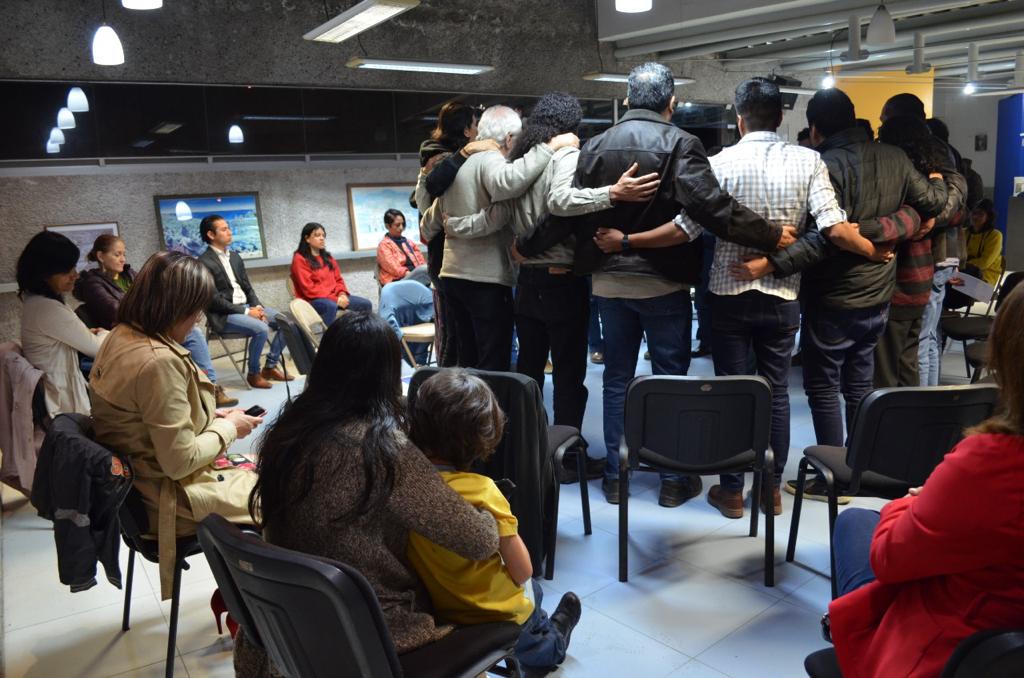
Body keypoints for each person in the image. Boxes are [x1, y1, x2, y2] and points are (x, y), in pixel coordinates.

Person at [528, 62, 796, 508]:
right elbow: (713, 208)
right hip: (663, 284)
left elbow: (568, 212)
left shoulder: (594, 145)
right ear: (671, 103)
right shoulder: (680, 143)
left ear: (630, 100)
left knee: (616, 381)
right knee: (669, 382)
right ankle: (673, 482)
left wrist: (529, 246)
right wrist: (769, 235)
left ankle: (616, 479)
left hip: (609, 285)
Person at [235, 313, 501, 674]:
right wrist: (490, 507)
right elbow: (478, 541)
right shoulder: (381, 448)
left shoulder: (287, 431)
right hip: (367, 631)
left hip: (288, 625)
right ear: (388, 377)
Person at [750, 89, 946, 500]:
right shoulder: (894, 156)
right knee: (859, 386)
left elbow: (822, 239)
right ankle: (864, 467)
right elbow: (932, 202)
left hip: (832, 296)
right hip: (879, 294)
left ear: (816, 128)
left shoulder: (822, 164)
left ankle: (832, 477)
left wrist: (774, 263)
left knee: (823, 387)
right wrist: (934, 183)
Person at [827, 283, 1024, 678]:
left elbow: (888, 560)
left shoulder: (993, 463)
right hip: (1000, 624)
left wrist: (910, 502)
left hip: (952, 651)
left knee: (856, 523)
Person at [444, 91, 658, 433]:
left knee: (528, 372)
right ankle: (568, 456)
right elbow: (561, 202)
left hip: (526, 281)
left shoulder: (519, 159)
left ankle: (530, 450)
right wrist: (612, 194)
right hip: (561, 279)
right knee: (568, 374)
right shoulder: (566, 155)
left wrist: (458, 227)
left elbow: (498, 213)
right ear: (570, 125)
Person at [697, 79, 852, 518]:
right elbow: (829, 226)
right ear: (782, 118)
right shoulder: (809, 161)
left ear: (738, 117)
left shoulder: (720, 162)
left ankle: (731, 491)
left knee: (734, 391)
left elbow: (692, 226)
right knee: (776, 392)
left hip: (729, 292)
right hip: (783, 294)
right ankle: (770, 490)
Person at [89, 251, 263, 599]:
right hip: (169, 501)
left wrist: (212, 418)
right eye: (195, 310)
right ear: (175, 308)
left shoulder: (121, 337)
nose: (197, 320)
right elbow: (179, 460)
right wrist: (230, 429)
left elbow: (147, 419)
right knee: (289, 498)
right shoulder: (156, 362)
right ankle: (268, 617)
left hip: (141, 495)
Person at [406, 369, 582, 673]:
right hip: (497, 612)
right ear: (483, 439)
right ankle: (556, 636)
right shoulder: (484, 492)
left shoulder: (406, 486)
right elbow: (522, 569)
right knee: (537, 617)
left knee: (533, 597)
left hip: (445, 608)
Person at [420, 104, 579, 371]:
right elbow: (506, 199)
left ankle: (465, 413)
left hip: (452, 276)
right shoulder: (493, 160)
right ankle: (490, 414)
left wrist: (455, 225)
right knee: (493, 363)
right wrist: (547, 147)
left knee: (467, 361)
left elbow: (429, 224)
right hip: (485, 278)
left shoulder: (457, 165)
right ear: (508, 138)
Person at [73, 233, 238, 406]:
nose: (122, 259)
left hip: (146, 324)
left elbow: (153, 298)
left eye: (124, 254)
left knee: (192, 333)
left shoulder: (129, 274)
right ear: (100, 256)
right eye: (117, 254)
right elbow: (118, 311)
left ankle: (208, 386)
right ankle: (210, 387)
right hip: (128, 332)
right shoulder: (93, 284)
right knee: (192, 334)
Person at [872, 114, 967, 388]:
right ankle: (917, 419)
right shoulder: (935, 178)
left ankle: (891, 426)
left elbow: (898, 223)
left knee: (887, 370)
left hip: (897, 283)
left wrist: (861, 230)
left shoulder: (903, 180)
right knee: (913, 357)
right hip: (921, 279)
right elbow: (959, 212)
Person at [415, 102, 490, 368]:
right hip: (448, 253)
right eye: (476, 123)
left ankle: (449, 389)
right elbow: (425, 205)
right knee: (455, 334)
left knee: (456, 333)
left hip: (448, 255)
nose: (480, 129)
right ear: (466, 129)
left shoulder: (435, 155)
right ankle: (448, 392)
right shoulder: (445, 158)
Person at [16, 231, 107, 417]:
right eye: (66, 270)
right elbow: (98, 349)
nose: (75, 275)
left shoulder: (34, 301)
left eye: (74, 267)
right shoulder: (47, 308)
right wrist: (105, 333)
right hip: (63, 404)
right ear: (44, 274)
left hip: (60, 396)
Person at [198, 214, 293, 389]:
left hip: (248, 308)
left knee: (288, 321)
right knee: (261, 328)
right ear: (211, 235)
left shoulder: (234, 257)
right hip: (225, 315)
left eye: (229, 228)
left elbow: (248, 287)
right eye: (224, 229)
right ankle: (253, 373)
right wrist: (248, 313)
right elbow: (213, 300)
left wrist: (257, 307)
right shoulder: (203, 262)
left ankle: (270, 366)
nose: (229, 232)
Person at [290, 221, 372, 328]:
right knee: (331, 306)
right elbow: (309, 289)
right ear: (307, 238)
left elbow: (338, 279)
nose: (322, 238)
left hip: (335, 296)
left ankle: (360, 337)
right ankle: (328, 340)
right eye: (317, 235)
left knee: (365, 304)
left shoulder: (328, 258)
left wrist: (342, 294)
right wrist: (335, 299)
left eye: (323, 235)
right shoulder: (299, 259)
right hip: (313, 300)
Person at [944, 199, 1003, 310]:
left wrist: (959, 265)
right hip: (961, 275)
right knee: (941, 275)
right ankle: (943, 312)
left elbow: (984, 263)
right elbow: (953, 255)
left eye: (980, 214)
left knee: (947, 280)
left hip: (984, 286)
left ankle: (944, 310)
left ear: (988, 217)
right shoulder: (963, 232)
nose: (975, 217)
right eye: (974, 213)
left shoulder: (995, 235)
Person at [377, 208, 429, 286]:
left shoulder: (409, 242)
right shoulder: (384, 245)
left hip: (414, 276)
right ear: (387, 226)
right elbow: (393, 267)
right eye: (397, 225)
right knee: (425, 270)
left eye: (403, 224)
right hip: (398, 280)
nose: (401, 228)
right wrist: (413, 274)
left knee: (432, 271)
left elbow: (421, 261)